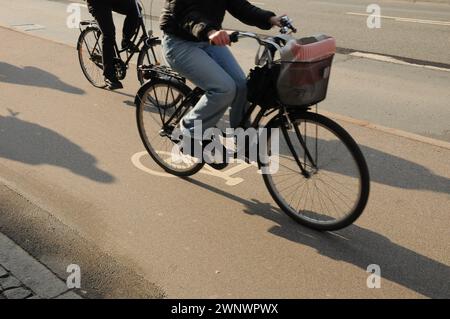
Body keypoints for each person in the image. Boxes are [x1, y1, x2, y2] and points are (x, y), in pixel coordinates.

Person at [160, 0, 283, 157]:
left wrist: (269, 19)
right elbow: (185, 11)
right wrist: (209, 31)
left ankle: (244, 137)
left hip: (208, 40)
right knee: (224, 89)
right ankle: (188, 133)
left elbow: (240, 6)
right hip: (180, 43)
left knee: (242, 85)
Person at [86, 0, 140, 90]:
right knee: (109, 34)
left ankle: (126, 40)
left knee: (135, 9)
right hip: (97, 2)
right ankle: (109, 76)